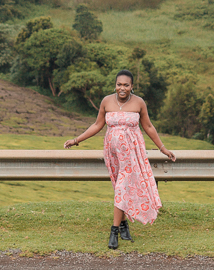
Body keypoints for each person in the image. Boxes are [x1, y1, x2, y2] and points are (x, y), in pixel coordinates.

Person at [64, 69, 177, 249]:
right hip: (113, 153)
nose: (122, 88)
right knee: (119, 188)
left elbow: (148, 126)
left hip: (132, 154)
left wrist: (163, 148)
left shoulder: (139, 103)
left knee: (123, 188)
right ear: (115, 85)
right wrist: (76, 140)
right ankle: (124, 226)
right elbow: (97, 125)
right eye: (119, 84)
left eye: (126, 85)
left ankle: (114, 231)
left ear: (132, 86)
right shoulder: (106, 101)